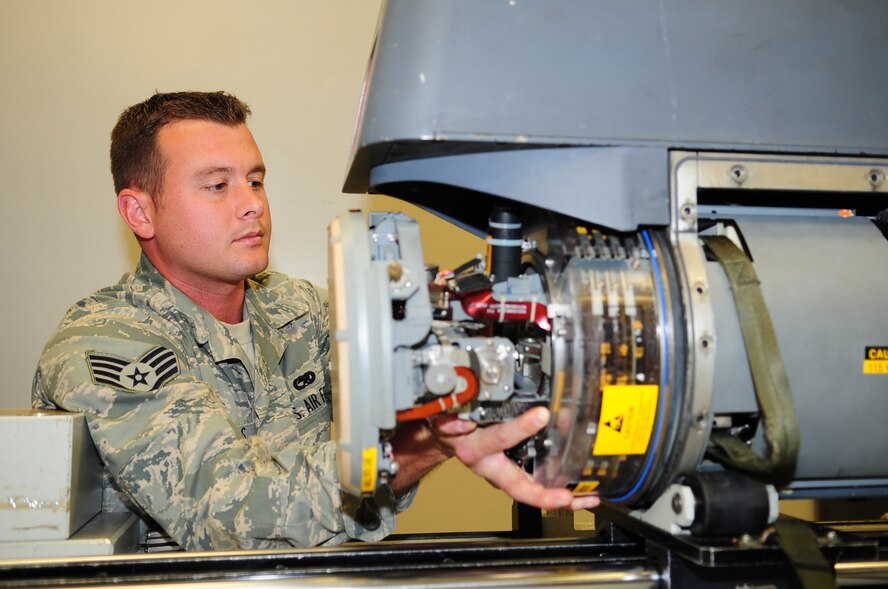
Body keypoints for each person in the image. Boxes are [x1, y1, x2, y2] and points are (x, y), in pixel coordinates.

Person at [32, 91, 599, 551]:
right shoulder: (104, 342)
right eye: (217, 185)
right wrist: (421, 445)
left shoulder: (298, 310)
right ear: (139, 211)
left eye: (255, 179)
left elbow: (420, 370)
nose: (252, 202)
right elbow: (222, 510)